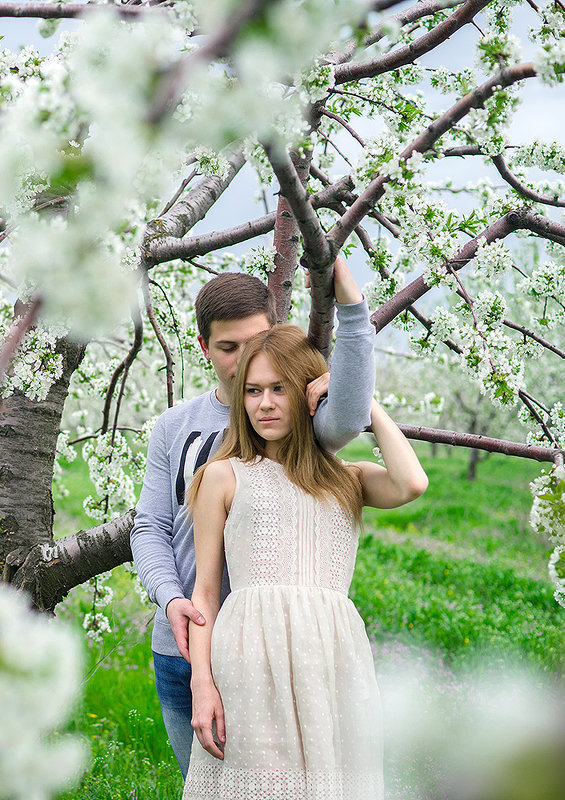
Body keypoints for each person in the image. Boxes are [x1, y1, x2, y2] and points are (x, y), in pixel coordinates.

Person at [130, 258, 375, 776]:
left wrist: (351, 307)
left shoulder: (298, 420)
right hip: (183, 645)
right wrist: (170, 596)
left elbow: (353, 414)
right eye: (228, 348)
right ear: (204, 348)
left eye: (257, 341)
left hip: (266, 652)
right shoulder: (176, 427)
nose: (245, 361)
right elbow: (150, 525)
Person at [182, 325, 428, 799]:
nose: (265, 404)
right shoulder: (223, 476)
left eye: (280, 389)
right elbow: (206, 594)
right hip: (250, 659)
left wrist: (361, 401)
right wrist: (202, 684)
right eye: (253, 391)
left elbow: (411, 483)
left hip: (333, 660)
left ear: (309, 393)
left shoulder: (348, 480)